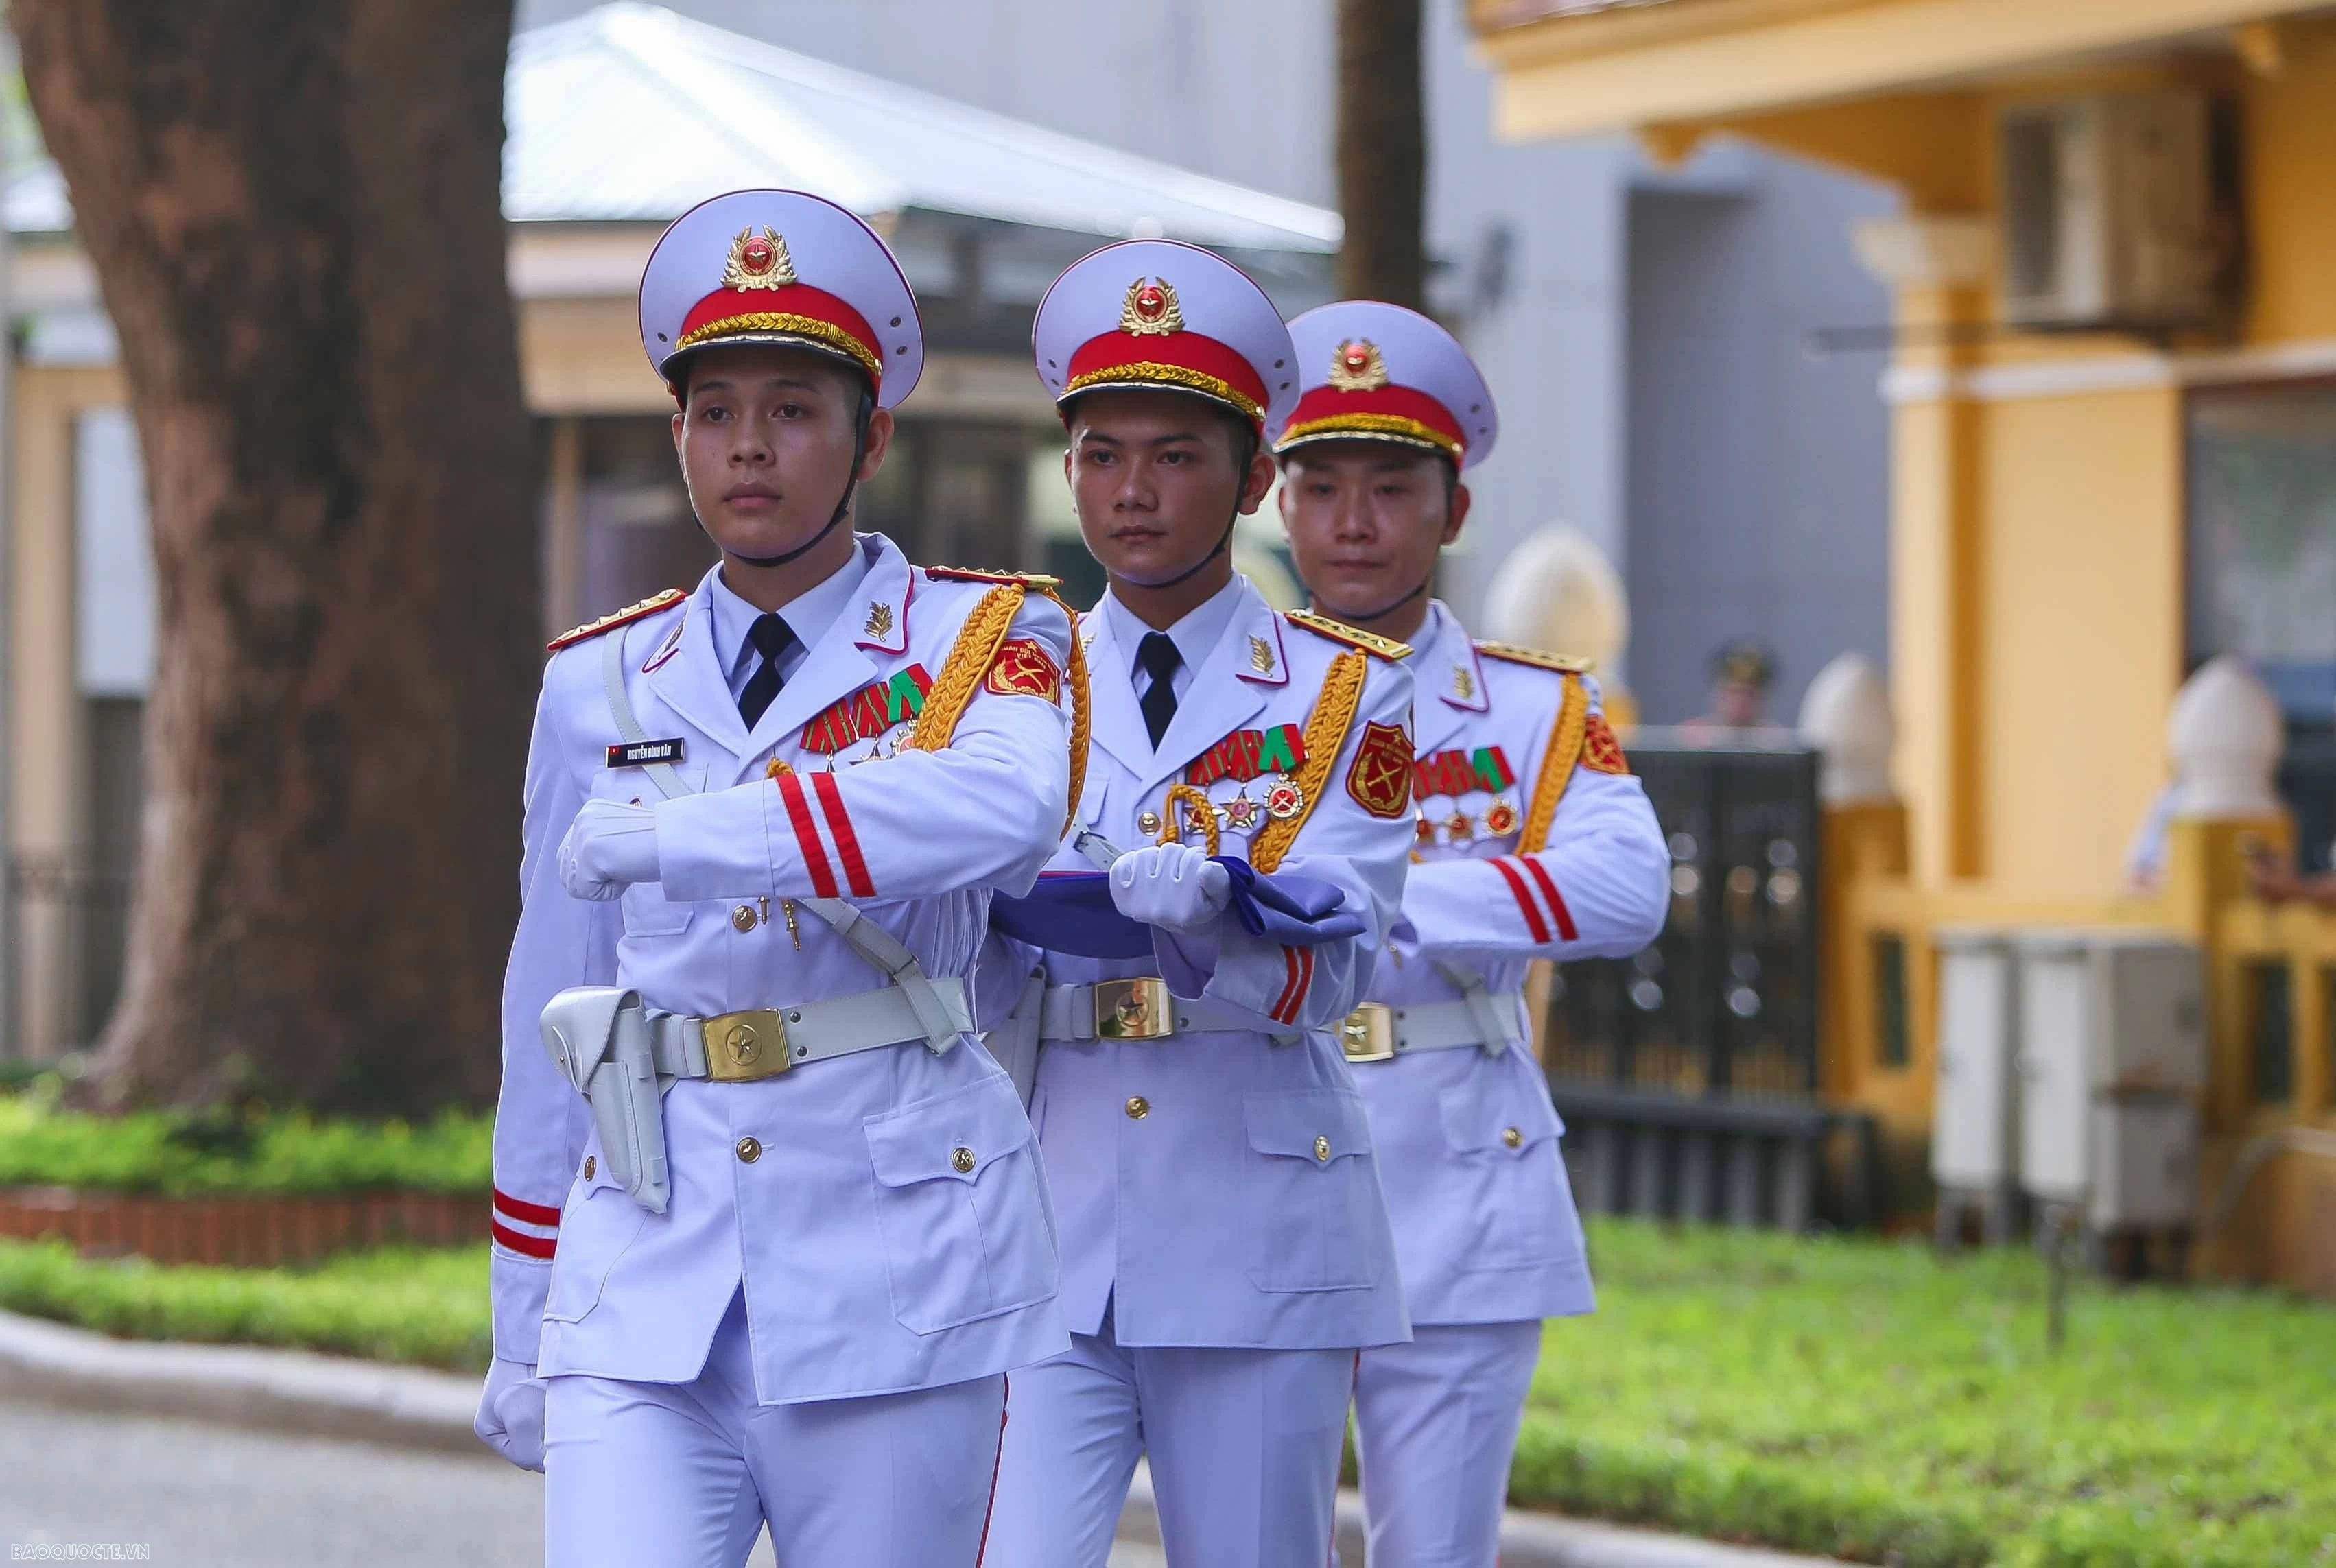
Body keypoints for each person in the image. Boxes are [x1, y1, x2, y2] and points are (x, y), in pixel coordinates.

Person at [472, 188, 1083, 1568]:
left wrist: (704, 834)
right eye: (716, 409)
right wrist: (523, 1317)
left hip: (893, 1267)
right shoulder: (598, 678)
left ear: (870, 437)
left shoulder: (984, 639)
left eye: (795, 409)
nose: (750, 445)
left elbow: (1002, 803)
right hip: (645, 1262)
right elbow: (550, 1011)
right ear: (678, 433)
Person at [977, 240, 1417, 1568]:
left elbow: (1347, 964)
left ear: (1248, 476)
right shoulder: (1011, 681)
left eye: (1173, 455)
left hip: (1255, 1221)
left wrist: (1209, 932)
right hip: (1057, 1218)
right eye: (1101, 454)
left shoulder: (1343, 691)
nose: (1132, 492)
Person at [1274, 300, 1670, 1568]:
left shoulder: (1536, 709)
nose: (1351, 521)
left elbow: (1627, 889)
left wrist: (1372, 893)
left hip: (1461, 1169)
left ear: (1453, 510)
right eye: (1320, 484)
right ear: (1274, 504)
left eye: (1391, 487)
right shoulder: (1215, 698)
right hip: (1258, 1149)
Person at [1680, 639, 1778, 741]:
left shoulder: (1775, 744)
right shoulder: (1691, 739)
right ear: (1717, 692)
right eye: (1733, 692)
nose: (1740, 701)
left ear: (1764, 697)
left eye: (1749, 694)